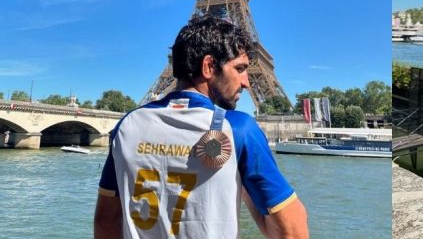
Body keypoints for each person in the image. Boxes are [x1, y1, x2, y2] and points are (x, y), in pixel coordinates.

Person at [94, 16, 308, 239]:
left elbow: (106, 221)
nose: (245, 81)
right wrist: (244, 184)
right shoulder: (238, 128)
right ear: (208, 67)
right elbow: (293, 233)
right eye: (240, 68)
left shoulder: (128, 125)